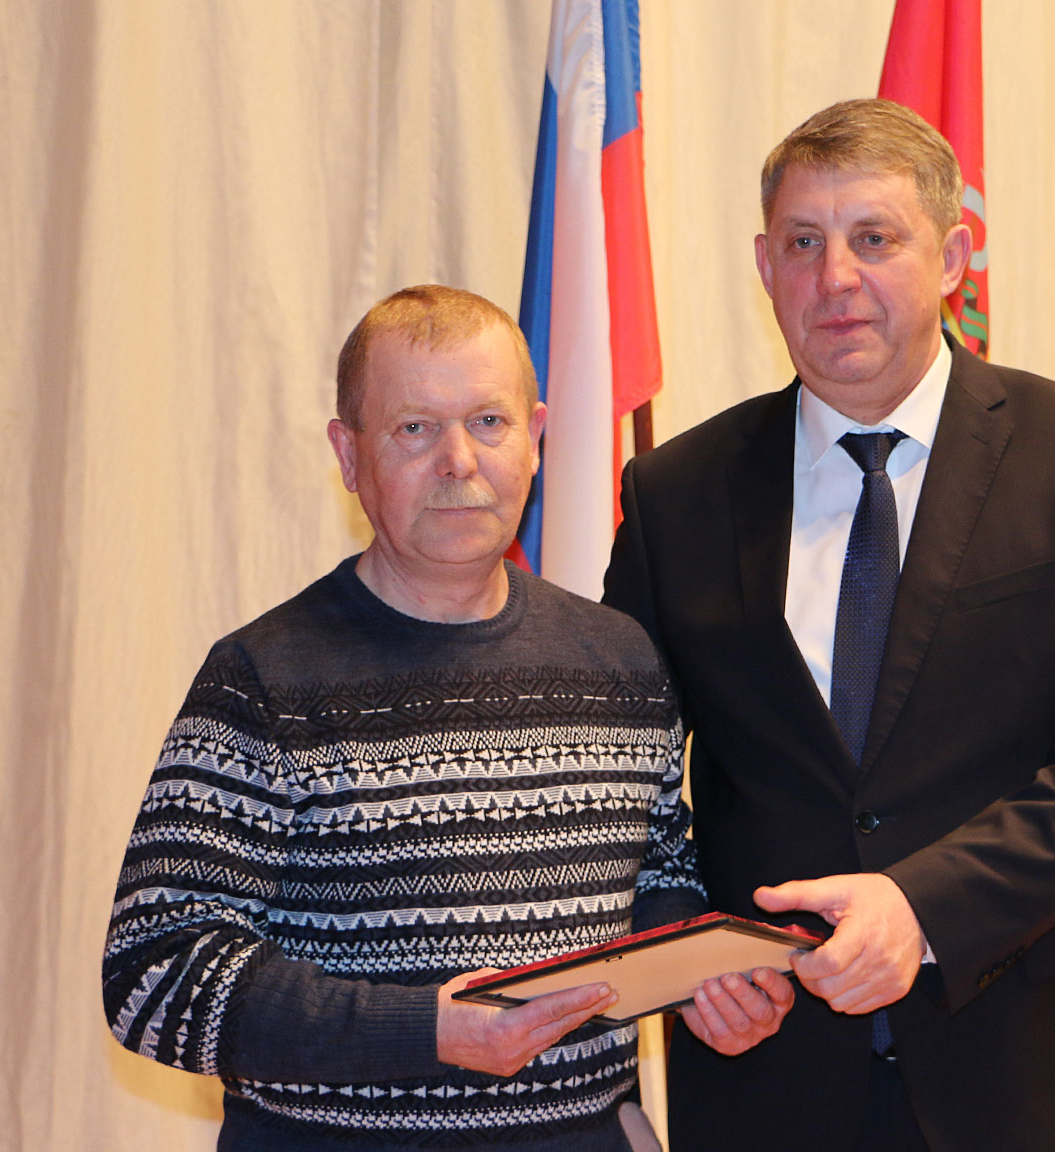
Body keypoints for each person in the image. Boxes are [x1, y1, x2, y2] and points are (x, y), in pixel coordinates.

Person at [603, 99, 1055, 1151]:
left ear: (954, 256)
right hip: (767, 1077)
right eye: (804, 243)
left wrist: (923, 907)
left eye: (875, 238)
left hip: (1029, 1070)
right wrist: (682, 944)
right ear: (764, 265)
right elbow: (622, 780)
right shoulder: (675, 493)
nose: (836, 278)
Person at [104, 285, 791, 1152]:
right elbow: (153, 976)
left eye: (489, 422)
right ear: (348, 454)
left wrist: (705, 982)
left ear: (536, 438)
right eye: (414, 428)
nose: (459, 460)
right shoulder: (263, 682)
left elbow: (656, 881)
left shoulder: (620, 661)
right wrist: (426, 1030)